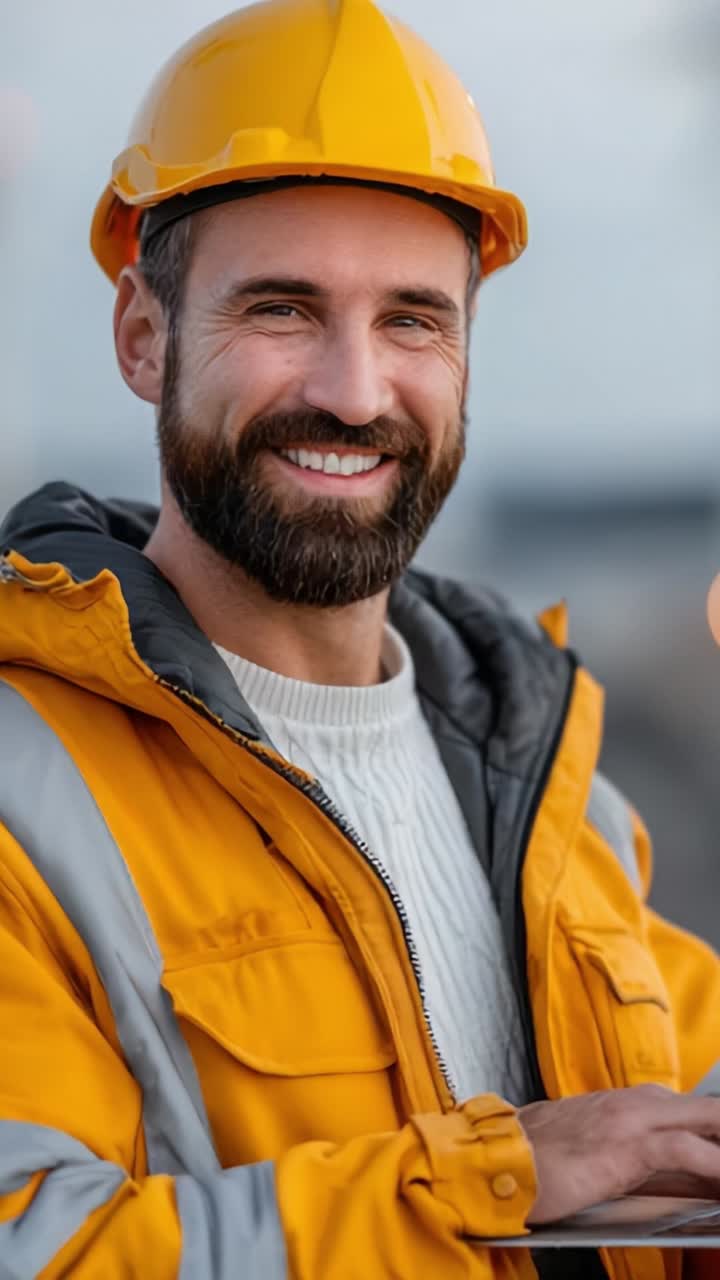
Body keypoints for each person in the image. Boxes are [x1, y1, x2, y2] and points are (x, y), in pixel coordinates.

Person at [0, 1, 719, 1277]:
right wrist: (492, 1178)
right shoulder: (22, 794)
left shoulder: (554, 785)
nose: (353, 389)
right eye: (281, 309)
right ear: (141, 336)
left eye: (412, 319)